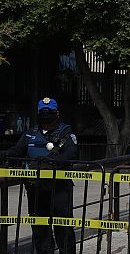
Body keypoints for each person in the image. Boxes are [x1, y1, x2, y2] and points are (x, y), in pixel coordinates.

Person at [2, 97, 78, 253]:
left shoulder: (65, 132)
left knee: (63, 229)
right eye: (42, 112)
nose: (45, 114)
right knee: (39, 229)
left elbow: (71, 152)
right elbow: (17, 151)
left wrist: (54, 161)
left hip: (59, 188)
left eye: (48, 111)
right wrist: (5, 154)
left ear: (56, 113)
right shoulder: (30, 133)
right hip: (35, 189)